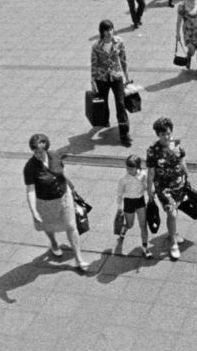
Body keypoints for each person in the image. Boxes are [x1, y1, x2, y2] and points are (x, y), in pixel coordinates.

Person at [23, 133, 87, 271]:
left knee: (71, 226)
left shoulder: (54, 155)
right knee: (48, 226)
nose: (38, 154)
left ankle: (78, 258)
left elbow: (62, 173)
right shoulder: (30, 167)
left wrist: (71, 186)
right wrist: (33, 210)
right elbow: (31, 190)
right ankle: (53, 242)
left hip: (64, 197)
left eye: (41, 151)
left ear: (46, 148)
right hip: (45, 202)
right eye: (35, 152)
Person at [146, 116, 192, 260]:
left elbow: (182, 162)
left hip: (179, 184)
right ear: (158, 135)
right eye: (162, 134)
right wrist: (150, 190)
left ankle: (172, 232)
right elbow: (151, 173)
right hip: (163, 188)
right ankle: (173, 243)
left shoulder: (177, 145)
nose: (166, 136)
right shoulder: (153, 151)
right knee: (171, 213)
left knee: (174, 211)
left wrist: (187, 178)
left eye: (168, 133)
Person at [90, 18, 134, 146]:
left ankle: (124, 133)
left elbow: (123, 60)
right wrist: (93, 81)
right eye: (106, 30)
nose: (109, 32)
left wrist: (127, 77)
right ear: (102, 32)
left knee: (120, 104)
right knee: (103, 102)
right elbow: (94, 64)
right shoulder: (96, 46)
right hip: (102, 78)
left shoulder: (119, 42)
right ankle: (105, 120)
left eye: (110, 29)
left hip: (117, 76)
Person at [114, 154, 152, 258]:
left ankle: (145, 247)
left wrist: (150, 192)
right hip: (128, 202)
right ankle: (124, 230)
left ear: (138, 167)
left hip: (140, 201)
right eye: (127, 168)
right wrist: (119, 207)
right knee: (130, 225)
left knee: (143, 225)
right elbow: (119, 194)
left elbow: (146, 187)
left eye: (131, 168)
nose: (129, 170)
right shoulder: (123, 179)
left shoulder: (143, 175)